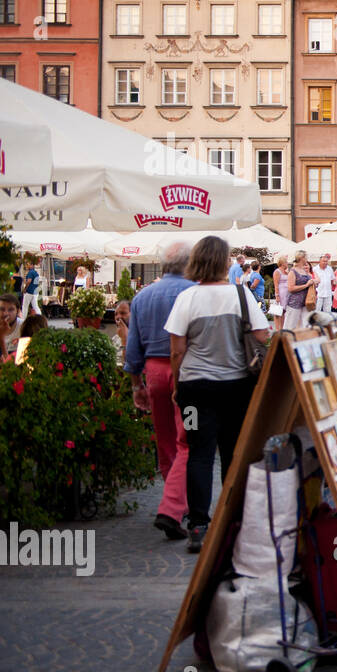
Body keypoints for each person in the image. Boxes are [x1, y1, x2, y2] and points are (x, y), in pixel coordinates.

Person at [164, 236, 270, 553]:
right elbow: (262, 336)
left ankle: (198, 523)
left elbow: (176, 351)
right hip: (235, 386)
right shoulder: (241, 296)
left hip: (195, 389)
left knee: (199, 452)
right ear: (225, 261)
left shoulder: (188, 298)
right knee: (232, 453)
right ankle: (231, 522)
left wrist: (176, 388)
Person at [125, 241, 196, 541]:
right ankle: (172, 507)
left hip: (153, 372)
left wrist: (135, 384)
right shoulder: (193, 293)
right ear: (188, 263)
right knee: (189, 439)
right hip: (186, 372)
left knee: (165, 440)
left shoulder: (143, 296)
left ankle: (177, 504)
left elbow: (132, 346)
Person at [284, 251, 314, 330]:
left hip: (305, 303)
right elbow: (291, 288)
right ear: (302, 258)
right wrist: (306, 285)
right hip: (295, 302)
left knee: (305, 326)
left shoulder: (304, 271)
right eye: (306, 257)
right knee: (290, 326)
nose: (307, 259)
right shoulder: (293, 271)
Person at [0, 293, 23, 363]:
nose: (5, 314)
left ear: (17, 311)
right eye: (2, 309)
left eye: (11, 310)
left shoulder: (24, 327)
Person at [272, 255, 290, 330]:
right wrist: (277, 295)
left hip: (287, 293)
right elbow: (276, 284)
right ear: (282, 263)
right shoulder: (277, 271)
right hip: (281, 292)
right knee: (278, 311)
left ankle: (282, 328)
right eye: (286, 262)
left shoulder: (286, 272)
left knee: (284, 311)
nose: (287, 263)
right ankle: (277, 329)